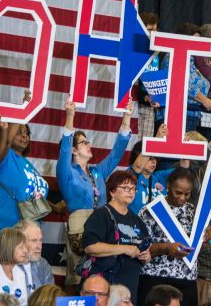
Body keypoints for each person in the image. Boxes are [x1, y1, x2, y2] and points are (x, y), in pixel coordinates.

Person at [56, 98, 134, 288]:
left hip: (102, 224)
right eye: (84, 142)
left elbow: (116, 154)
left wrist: (126, 118)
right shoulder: (66, 172)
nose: (89, 145)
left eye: (88, 141)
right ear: (74, 150)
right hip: (80, 227)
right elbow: (64, 150)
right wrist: (70, 116)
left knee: (100, 277)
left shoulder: (97, 172)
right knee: (79, 277)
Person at [82, 170, 151, 305]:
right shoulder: (102, 215)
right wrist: (124, 248)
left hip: (129, 286)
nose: (131, 192)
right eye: (125, 188)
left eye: (133, 188)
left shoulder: (137, 220)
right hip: (104, 287)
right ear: (112, 192)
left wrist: (146, 256)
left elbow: (146, 247)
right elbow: (90, 247)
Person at [137, 168, 199, 306]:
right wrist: (166, 248)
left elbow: (198, 245)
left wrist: (205, 236)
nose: (182, 198)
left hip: (187, 279)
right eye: (178, 192)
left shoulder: (193, 211)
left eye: (187, 194)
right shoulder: (149, 210)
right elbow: (140, 248)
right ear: (168, 185)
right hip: (155, 278)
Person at [0, 117, 49, 238]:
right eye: (19, 132)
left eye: (27, 133)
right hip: (2, 233)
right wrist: (21, 113)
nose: (24, 136)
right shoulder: (4, 157)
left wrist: (54, 207)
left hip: (27, 233)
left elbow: (29, 193)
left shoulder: (28, 165)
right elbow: (6, 142)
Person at [156, 23, 211, 132]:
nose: (198, 44)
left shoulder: (191, 61)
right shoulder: (174, 57)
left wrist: (209, 98)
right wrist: (204, 100)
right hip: (177, 116)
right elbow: (182, 83)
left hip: (190, 115)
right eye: (194, 40)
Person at [13, 220, 53, 296]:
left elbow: (49, 299)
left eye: (40, 240)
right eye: (34, 241)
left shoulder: (43, 264)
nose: (40, 247)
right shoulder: (4, 267)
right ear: (19, 242)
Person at [137, 12, 161, 140]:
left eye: (156, 29)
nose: (154, 33)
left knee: (144, 149)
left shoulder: (157, 52)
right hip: (135, 105)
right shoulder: (134, 50)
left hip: (149, 107)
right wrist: (144, 97)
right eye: (150, 29)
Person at [0, 228, 28, 305]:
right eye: (21, 247)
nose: (26, 250)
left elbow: (23, 303)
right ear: (9, 248)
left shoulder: (20, 273)